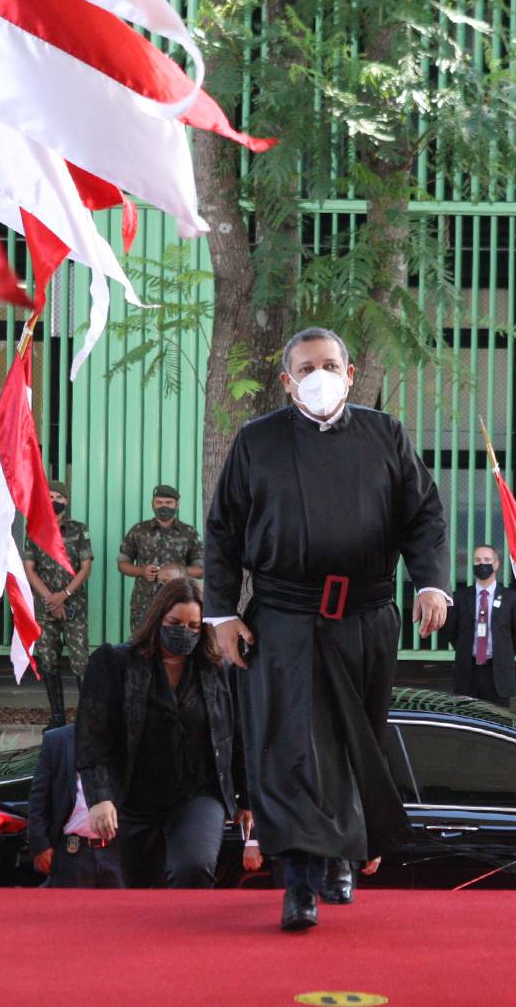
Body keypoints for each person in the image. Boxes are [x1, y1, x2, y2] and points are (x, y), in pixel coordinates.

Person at [204, 327, 450, 931]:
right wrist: (222, 614)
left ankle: (345, 854)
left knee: (352, 739)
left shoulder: (385, 435)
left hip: (366, 617)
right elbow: (223, 532)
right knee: (294, 748)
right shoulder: (256, 441)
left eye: (331, 364)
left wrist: (430, 583)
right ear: (288, 381)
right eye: (307, 367)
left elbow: (423, 514)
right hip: (285, 618)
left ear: (349, 370)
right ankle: (300, 882)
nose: (321, 375)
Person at [78, 579, 246, 891]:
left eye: (194, 626)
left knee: (193, 868)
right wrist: (99, 797)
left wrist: (246, 797)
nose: (184, 632)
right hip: (136, 797)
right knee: (141, 886)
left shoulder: (216, 669)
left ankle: (191, 937)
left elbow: (234, 734)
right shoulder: (116, 664)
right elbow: (93, 735)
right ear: (158, 620)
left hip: (197, 793)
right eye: (175, 623)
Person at [27, 480, 95, 729]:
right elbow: (30, 568)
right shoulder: (34, 529)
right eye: (50, 496)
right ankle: (57, 717)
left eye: (59, 497)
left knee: (80, 661)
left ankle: (86, 718)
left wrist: (64, 594)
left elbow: (85, 567)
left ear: (66, 501)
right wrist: (50, 598)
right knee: (48, 659)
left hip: (74, 605)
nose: (54, 501)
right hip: (45, 607)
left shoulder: (79, 529)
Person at [29, 724, 121, 888]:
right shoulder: (58, 740)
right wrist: (40, 846)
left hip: (119, 852)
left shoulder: (130, 739)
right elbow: (39, 797)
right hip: (72, 853)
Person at [448, 544, 516, 708]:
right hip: (468, 669)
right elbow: (452, 632)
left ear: (496, 564)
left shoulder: (511, 598)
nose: (482, 564)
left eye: (486, 560)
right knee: (467, 718)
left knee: (498, 719)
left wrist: (504, 652)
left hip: (498, 670)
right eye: (477, 560)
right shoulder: (460, 597)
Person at [118, 483, 204, 630]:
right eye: (159, 502)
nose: (164, 506)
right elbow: (122, 564)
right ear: (153, 504)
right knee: (142, 647)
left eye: (169, 502)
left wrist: (177, 573)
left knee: (174, 645)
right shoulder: (138, 531)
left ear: (177, 504)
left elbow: (201, 570)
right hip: (144, 603)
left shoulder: (189, 533)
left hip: (178, 602)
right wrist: (141, 571)